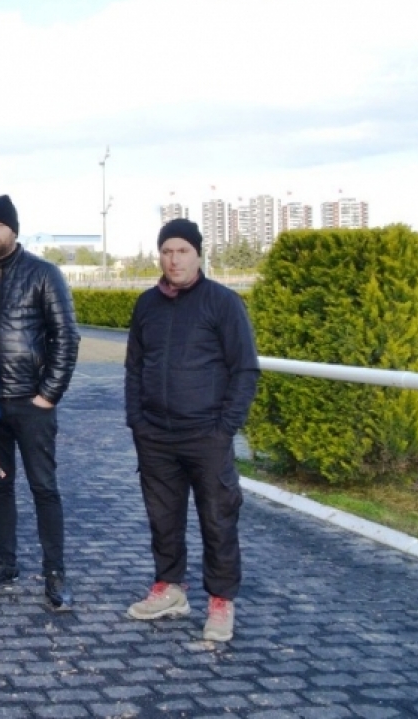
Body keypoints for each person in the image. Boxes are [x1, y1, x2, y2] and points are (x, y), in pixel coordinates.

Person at [124, 218, 259, 643]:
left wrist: (224, 428)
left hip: (206, 434)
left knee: (218, 519)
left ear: (197, 254)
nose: (174, 259)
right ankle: (169, 588)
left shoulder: (222, 303)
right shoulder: (147, 305)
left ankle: (220, 601)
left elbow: (244, 369)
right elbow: (133, 368)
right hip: (156, 436)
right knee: (162, 518)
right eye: (167, 251)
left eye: (182, 251)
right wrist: (138, 421)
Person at [0, 195, 81, 611]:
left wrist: (48, 394)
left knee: (44, 487)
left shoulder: (44, 274)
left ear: (14, 229)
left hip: (32, 403)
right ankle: (5, 563)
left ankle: (55, 573)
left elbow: (66, 337)